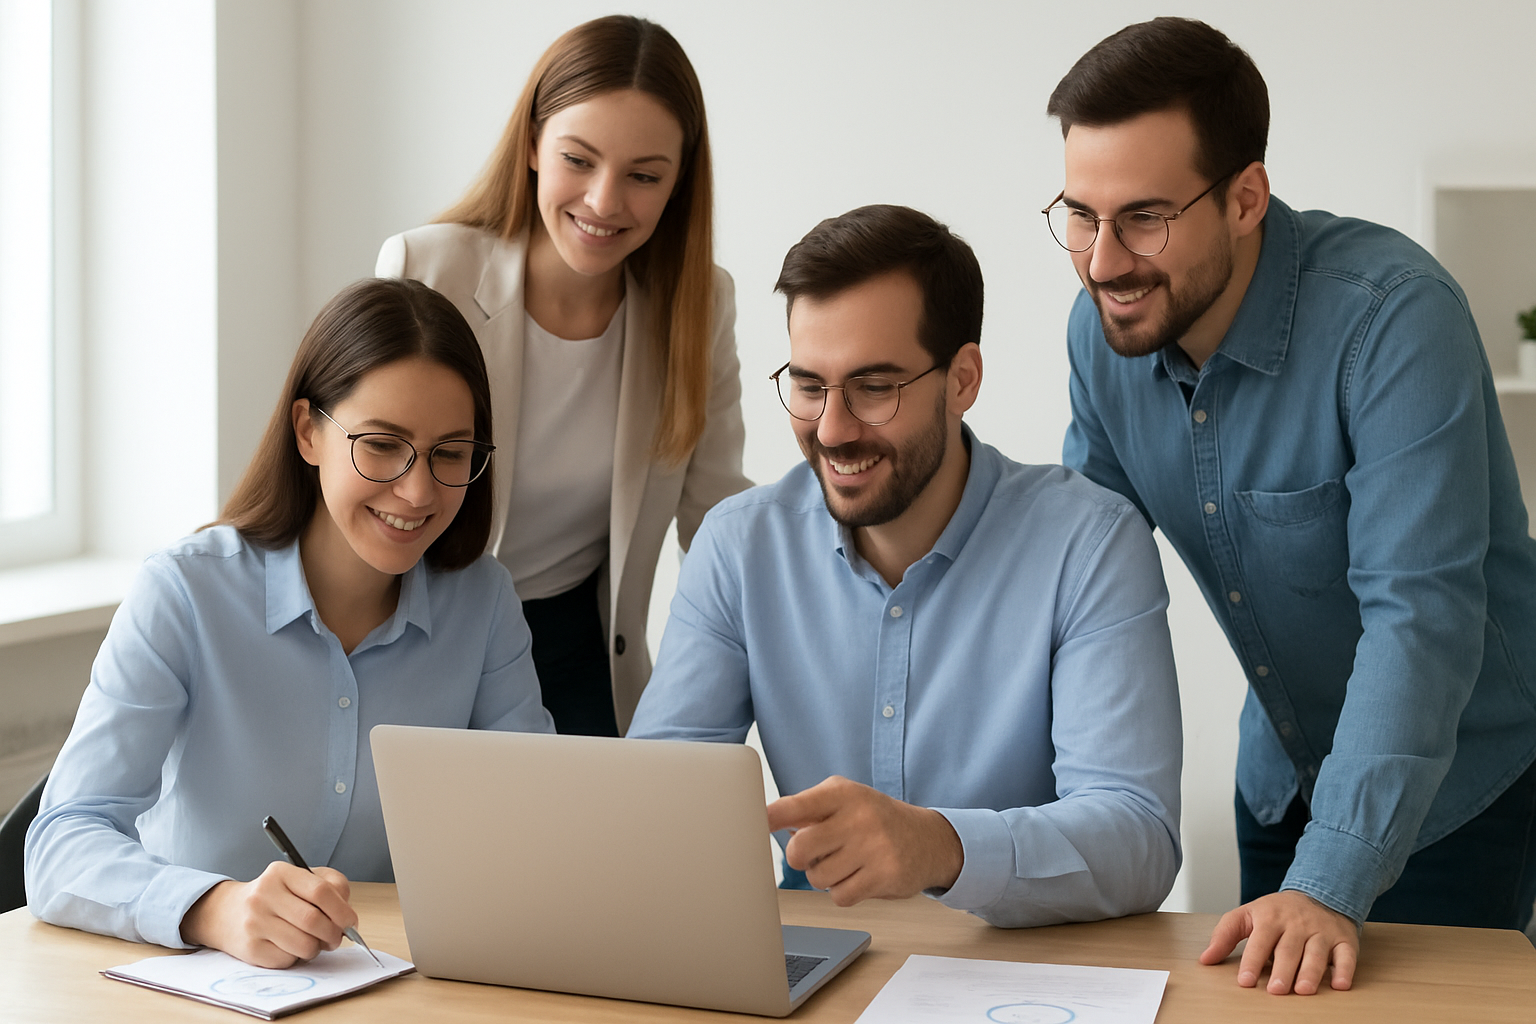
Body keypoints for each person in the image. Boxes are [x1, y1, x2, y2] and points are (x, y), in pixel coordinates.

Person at [1045, 16, 1536, 995]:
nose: (1103, 262)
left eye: (1143, 217)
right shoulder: (1105, 337)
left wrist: (1330, 879)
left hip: (1458, 786)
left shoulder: (1395, 319)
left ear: (1245, 198)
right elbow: (1081, 584)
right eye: (1079, 215)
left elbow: (1421, 622)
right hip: (1279, 780)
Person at [628, 205, 1183, 928]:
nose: (832, 429)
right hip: (812, 968)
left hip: (1024, 974)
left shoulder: (1090, 543)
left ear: (962, 379)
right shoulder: (739, 546)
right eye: (808, 385)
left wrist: (941, 848)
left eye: (874, 387)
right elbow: (654, 807)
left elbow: (1139, 839)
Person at [26, 278, 554, 967]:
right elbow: (62, 840)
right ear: (308, 431)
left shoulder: (483, 604)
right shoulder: (185, 592)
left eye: (450, 453)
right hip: (195, 994)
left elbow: (538, 830)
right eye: (382, 445)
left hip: (387, 987)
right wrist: (215, 908)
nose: (418, 490)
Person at [376, 15, 749, 738]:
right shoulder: (429, 270)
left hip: (582, 650)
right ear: (533, 148)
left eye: (644, 176)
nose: (605, 202)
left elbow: (716, 527)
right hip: (421, 631)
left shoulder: (699, 305)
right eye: (579, 160)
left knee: (598, 850)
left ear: (678, 185)